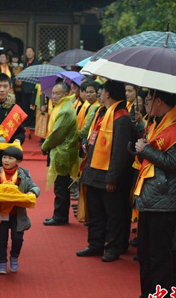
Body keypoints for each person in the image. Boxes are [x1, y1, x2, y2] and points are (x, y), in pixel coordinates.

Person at [124, 89, 176, 298]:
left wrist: (147, 150)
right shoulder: (157, 123)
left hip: (165, 200)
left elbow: (174, 163)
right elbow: (150, 156)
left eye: (148, 100)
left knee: (160, 254)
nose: (145, 104)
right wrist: (139, 149)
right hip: (148, 196)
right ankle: (146, 296)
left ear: (159, 101)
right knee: (144, 251)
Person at [77, 80, 136, 262]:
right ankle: (95, 244)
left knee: (114, 214)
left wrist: (112, 178)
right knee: (96, 213)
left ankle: (113, 247)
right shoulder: (103, 113)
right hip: (95, 172)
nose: (99, 94)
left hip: (109, 176)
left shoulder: (122, 118)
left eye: (101, 91)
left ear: (108, 94)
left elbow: (120, 153)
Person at [0, 146, 40, 274]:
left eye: (10, 158)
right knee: (1, 239)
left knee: (17, 238)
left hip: (17, 213)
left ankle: (14, 257)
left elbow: (34, 187)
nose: (6, 160)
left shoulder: (24, 174)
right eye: (4, 157)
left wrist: (32, 192)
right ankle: (1, 262)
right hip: (0, 212)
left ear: (18, 162)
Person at [42, 83, 79, 226]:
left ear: (65, 94)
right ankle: (59, 215)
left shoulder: (64, 110)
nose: (54, 96)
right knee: (60, 186)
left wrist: (45, 146)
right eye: (53, 93)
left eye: (58, 93)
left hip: (62, 152)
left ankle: (60, 216)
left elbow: (57, 134)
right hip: (61, 151)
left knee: (61, 187)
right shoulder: (62, 107)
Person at [21, 47, 40, 128]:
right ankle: (26, 122)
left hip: (33, 88)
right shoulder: (25, 63)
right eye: (27, 51)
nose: (28, 53)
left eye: (30, 51)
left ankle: (32, 123)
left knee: (32, 107)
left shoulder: (37, 63)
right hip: (25, 88)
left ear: (33, 53)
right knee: (25, 106)